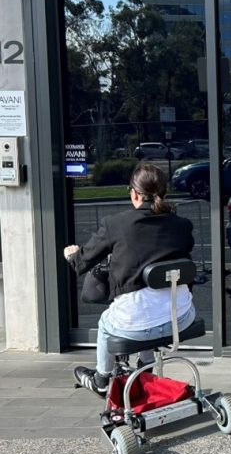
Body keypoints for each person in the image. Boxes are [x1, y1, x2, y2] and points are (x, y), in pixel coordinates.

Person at [64, 162, 195, 397]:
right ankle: (146, 371)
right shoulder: (183, 225)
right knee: (151, 308)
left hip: (138, 326)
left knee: (109, 322)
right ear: (163, 193)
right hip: (181, 318)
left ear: (134, 193)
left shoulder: (116, 224)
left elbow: (82, 262)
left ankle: (102, 380)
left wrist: (72, 255)